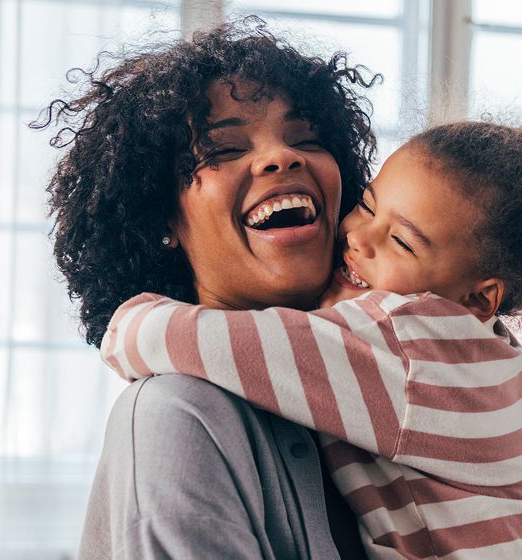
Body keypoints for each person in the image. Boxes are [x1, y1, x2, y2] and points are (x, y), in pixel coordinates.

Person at [101, 118, 522, 558]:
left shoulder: (409, 346)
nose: (357, 236)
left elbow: (210, 341)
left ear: (480, 298)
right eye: (366, 204)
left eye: (402, 244)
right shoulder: (471, 351)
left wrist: (129, 321)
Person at [32, 19, 378, 559]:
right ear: (160, 218)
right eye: (221, 150)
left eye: (306, 138)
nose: (281, 157)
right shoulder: (175, 415)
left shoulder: (382, 382)